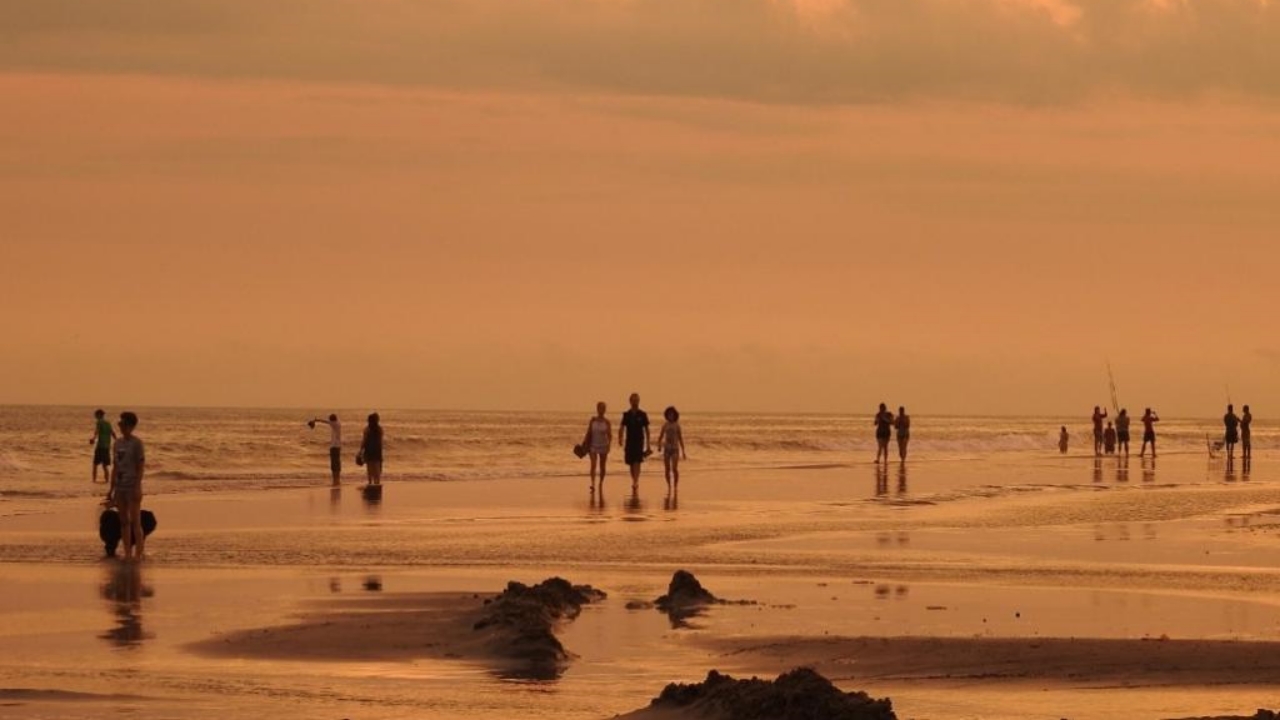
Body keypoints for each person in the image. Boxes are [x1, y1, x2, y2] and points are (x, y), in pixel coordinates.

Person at [105, 411, 145, 561]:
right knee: (123, 521)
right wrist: (111, 489)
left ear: (130, 425)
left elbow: (140, 466)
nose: (120, 426)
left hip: (132, 486)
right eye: (119, 424)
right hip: (120, 487)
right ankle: (127, 552)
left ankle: (138, 553)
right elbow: (115, 467)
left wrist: (137, 486)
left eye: (123, 424)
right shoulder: (117, 443)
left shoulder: (137, 443)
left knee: (135, 520)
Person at [618, 393, 651, 491]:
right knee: (631, 463)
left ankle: (636, 481)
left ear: (639, 401)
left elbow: (647, 429)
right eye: (633, 400)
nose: (635, 402)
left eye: (637, 400)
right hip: (629, 441)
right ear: (630, 401)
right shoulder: (626, 414)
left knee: (637, 461)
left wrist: (648, 444)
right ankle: (634, 479)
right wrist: (620, 438)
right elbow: (622, 427)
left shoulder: (643, 414)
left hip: (639, 441)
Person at [582, 402, 612, 491]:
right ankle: (593, 483)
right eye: (600, 408)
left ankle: (601, 483)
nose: (602, 410)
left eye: (603, 408)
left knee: (602, 466)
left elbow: (610, 435)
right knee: (593, 464)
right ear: (597, 409)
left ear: (605, 410)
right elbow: (589, 432)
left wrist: (609, 445)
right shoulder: (592, 420)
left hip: (604, 445)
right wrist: (584, 442)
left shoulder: (607, 422)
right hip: (593, 445)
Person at [658, 406, 687, 489]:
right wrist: (659, 445)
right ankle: (669, 486)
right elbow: (660, 437)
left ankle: (675, 485)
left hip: (675, 449)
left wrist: (683, 451)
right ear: (666, 415)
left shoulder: (677, 425)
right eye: (669, 414)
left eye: (672, 414)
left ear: (675, 415)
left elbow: (680, 438)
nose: (671, 416)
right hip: (667, 449)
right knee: (667, 469)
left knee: (674, 468)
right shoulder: (665, 425)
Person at [310, 414, 342, 486]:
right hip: (338, 446)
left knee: (334, 464)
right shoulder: (338, 423)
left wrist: (316, 420)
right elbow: (328, 421)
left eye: (330, 420)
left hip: (334, 446)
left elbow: (325, 422)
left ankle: (335, 479)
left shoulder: (334, 424)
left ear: (332, 420)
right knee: (337, 463)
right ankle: (337, 479)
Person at [89, 408, 116, 484]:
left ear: (99, 415)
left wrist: (93, 439)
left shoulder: (99, 422)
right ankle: (107, 481)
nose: (95, 416)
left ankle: (93, 481)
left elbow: (96, 432)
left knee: (95, 464)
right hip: (107, 447)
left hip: (100, 446)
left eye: (96, 415)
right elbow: (112, 433)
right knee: (105, 465)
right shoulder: (108, 423)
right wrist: (117, 441)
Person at [359, 413, 384, 485]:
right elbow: (380, 442)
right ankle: (377, 483)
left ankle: (370, 483)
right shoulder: (379, 429)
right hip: (377, 451)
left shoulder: (367, 429)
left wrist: (361, 450)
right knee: (377, 469)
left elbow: (364, 440)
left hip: (369, 450)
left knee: (369, 468)